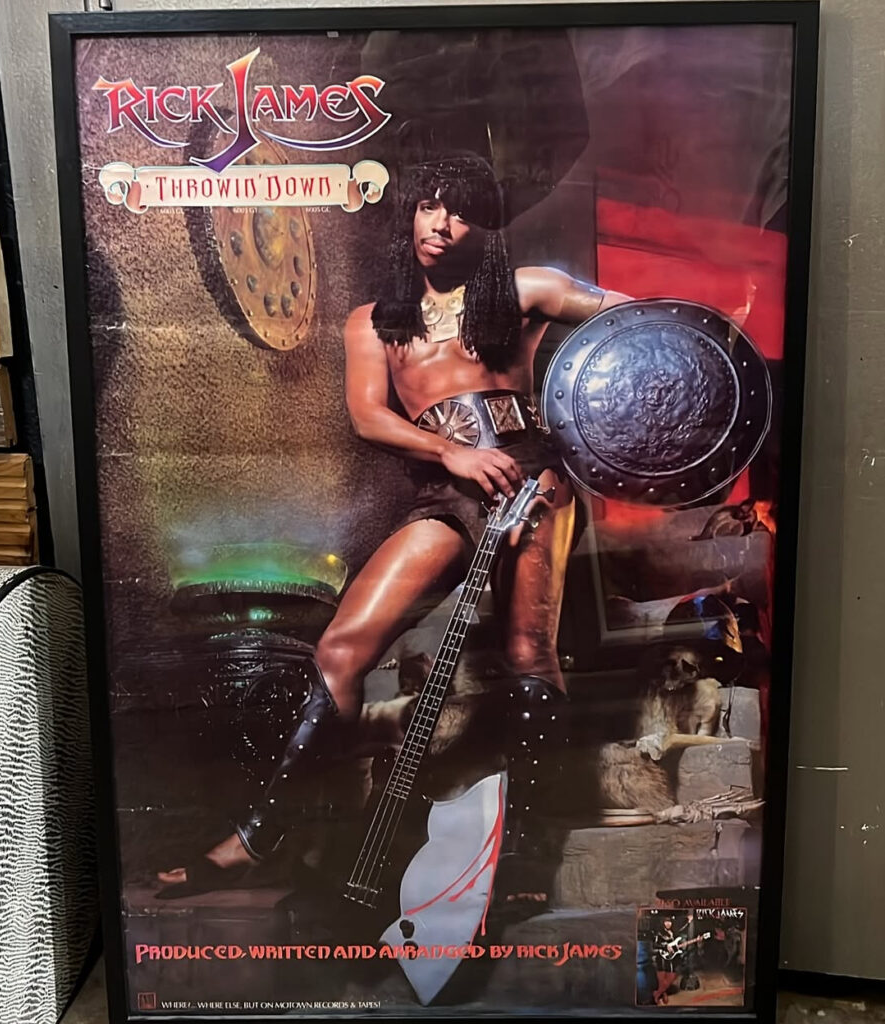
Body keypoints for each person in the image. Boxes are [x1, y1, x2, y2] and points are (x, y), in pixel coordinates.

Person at [157, 152, 628, 908]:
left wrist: (706, 339)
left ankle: (525, 859)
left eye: (461, 211)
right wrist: (450, 452)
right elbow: (368, 415)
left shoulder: (524, 290)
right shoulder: (372, 323)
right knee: (340, 652)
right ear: (409, 213)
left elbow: (636, 321)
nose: (441, 224)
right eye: (429, 206)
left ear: (485, 227)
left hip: (529, 474)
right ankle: (259, 836)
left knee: (528, 653)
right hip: (445, 488)